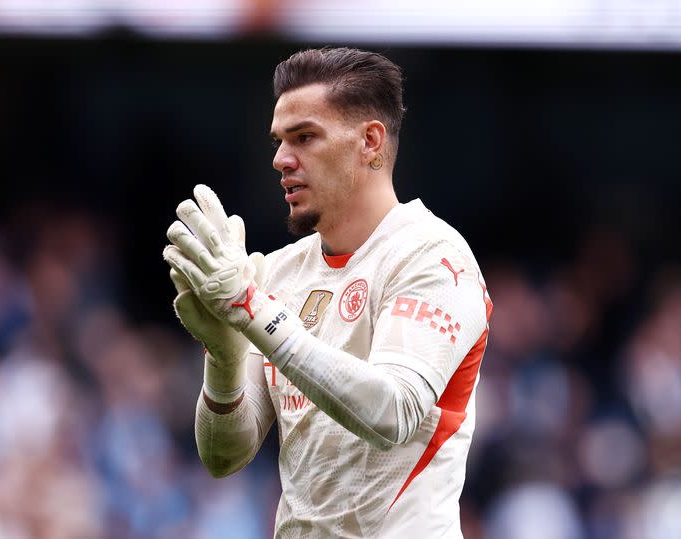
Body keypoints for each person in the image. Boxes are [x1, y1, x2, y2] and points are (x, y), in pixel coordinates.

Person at [163, 47, 492, 538]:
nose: (280, 159)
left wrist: (253, 312)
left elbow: (394, 412)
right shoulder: (278, 273)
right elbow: (223, 456)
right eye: (278, 141)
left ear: (370, 142)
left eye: (305, 137)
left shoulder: (433, 256)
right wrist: (224, 356)